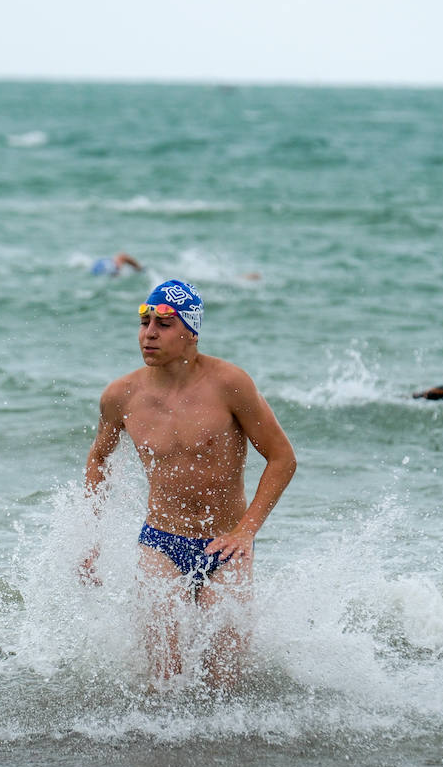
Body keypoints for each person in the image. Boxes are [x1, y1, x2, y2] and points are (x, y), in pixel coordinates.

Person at [80, 279, 297, 690]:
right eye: (144, 322)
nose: (149, 334)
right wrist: (92, 538)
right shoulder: (120, 395)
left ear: (191, 332)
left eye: (163, 323)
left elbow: (282, 458)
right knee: (162, 677)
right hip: (161, 542)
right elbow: (98, 460)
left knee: (224, 682)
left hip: (226, 545)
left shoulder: (230, 384)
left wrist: (247, 531)